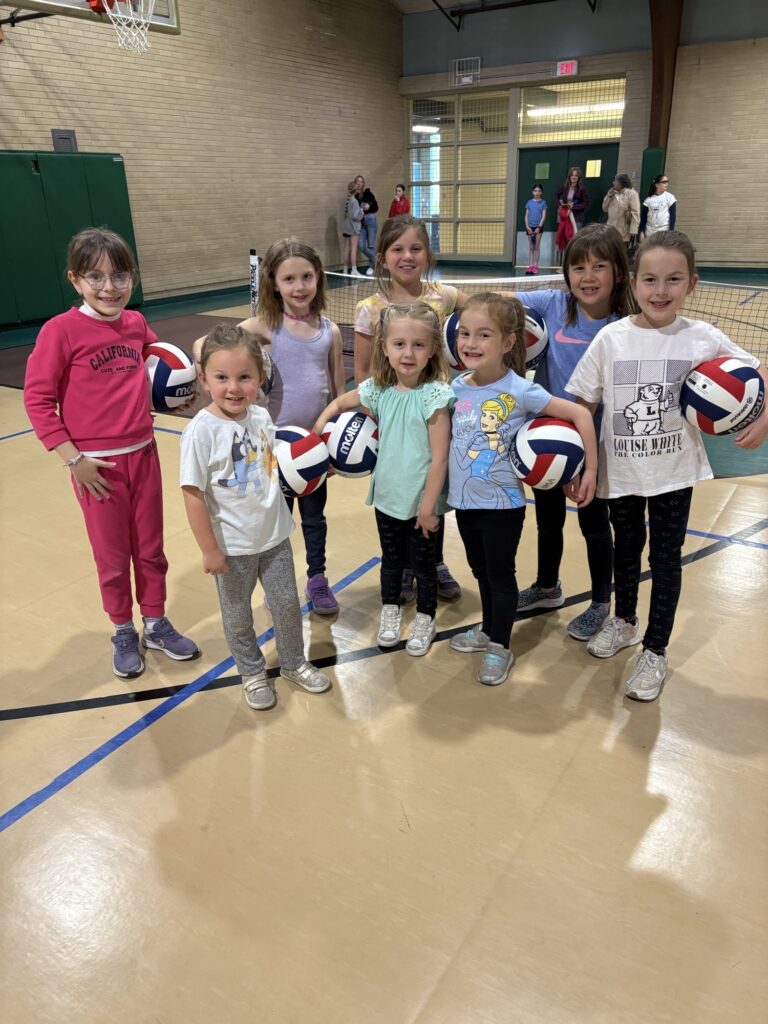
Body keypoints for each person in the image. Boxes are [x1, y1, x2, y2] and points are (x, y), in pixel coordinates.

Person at [565, 230, 768, 701]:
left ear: (691, 283)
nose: (661, 291)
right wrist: (583, 465)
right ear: (632, 282)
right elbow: (581, 404)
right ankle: (625, 621)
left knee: (665, 560)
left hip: (674, 473)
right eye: (650, 279)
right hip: (621, 474)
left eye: (673, 280)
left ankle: (655, 650)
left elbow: (759, 369)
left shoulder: (703, 338)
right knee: (626, 550)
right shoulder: (611, 339)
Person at [23, 227, 200, 679]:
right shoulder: (60, 331)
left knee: (151, 548)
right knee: (112, 555)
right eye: (95, 277)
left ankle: (156, 622)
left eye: (119, 276)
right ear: (75, 280)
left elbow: (158, 367)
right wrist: (73, 460)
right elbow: (38, 401)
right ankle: (123, 629)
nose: (109, 287)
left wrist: (174, 397)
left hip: (143, 453)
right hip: (95, 468)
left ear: (133, 277)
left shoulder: (136, 324)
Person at [181, 324, 332, 711]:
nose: (234, 387)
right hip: (232, 546)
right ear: (203, 379)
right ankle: (250, 671)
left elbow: (276, 467)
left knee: (285, 603)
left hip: (275, 535)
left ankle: (294, 662)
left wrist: (312, 468)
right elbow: (193, 494)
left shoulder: (263, 418)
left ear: (260, 378)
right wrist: (209, 549)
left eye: (244, 377)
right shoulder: (200, 432)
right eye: (221, 377)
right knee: (237, 613)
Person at [448, 293, 598, 686]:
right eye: (465, 333)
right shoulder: (455, 387)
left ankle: (500, 644)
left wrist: (589, 469)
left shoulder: (521, 389)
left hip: (503, 505)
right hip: (464, 502)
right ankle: (486, 627)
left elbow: (580, 412)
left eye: (484, 335)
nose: (470, 343)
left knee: (500, 577)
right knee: (479, 571)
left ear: (509, 343)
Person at [193, 239, 345, 615]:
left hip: (313, 449)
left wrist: (333, 444)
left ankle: (317, 579)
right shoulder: (266, 326)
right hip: (271, 451)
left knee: (314, 519)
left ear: (318, 279)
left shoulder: (330, 331)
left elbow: (339, 392)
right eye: (289, 278)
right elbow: (204, 344)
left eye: (307, 276)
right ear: (274, 283)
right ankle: (278, 583)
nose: (299, 286)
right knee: (275, 520)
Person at [516, 223, 636, 641]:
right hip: (550, 443)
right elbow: (494, 306)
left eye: (599, 266)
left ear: (619, 272)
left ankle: (602, 601)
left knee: (594, 524)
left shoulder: (628, 323)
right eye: (578, 267)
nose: (587, 277)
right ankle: (547, 586)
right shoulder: (553, 304)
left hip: (601, 447)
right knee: (547, 520)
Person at [314, 301, 454, 657]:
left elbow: (439, 458)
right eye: (399, 344)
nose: (408, 353)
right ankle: (390, 611)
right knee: (390, 562)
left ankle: (425, 617)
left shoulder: (434, 395)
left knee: (423, 566)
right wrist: (318, 435)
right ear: (385, 347)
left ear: (433, 349)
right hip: (388, 499)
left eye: (418, 345)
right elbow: (339, 404)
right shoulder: (378, 390)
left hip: (422, 502)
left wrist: (428, 507)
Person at [354, 214, 472, 603]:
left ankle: (433, 561)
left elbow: (483, 315)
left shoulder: (445, 296)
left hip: (437, 414)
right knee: (401, 492)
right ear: (383, 257)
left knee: (433, 491)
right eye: (397, 249)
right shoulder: (371, 308)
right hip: (394, 418)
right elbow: (363, 373)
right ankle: (404, 565)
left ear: (427, 254)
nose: (407, 256)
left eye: (416, 248)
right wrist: (382, 417)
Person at [602, 174, 641, 252]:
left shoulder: (632, 193)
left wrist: (633, 230)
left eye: (615, 181)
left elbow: (635, 212)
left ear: (621, 183)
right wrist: (609, 196)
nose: (613, 182)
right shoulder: (612, 192)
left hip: (623, 231)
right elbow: (604, 208)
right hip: (610, 229)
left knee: (621, 253)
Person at [354, 174, 379, 277]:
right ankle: (377, 261)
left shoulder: (368, 194)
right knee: (361, 245)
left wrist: (369, 206)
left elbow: (376, 207)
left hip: (370, 219)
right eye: (357, 182)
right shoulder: (354, 197)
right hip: (361, 222)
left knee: (371, 245)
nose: (359, 183)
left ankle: (371, 267)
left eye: (361, 181)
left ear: (363, 183)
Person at [639, 174, 677, 239]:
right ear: (657, 185)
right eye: (664, 182)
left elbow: (672, 217)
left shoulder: (670, 197)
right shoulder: (648, 200)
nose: (667, 184)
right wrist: (642, 232)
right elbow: (643, 218)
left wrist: (671, 232)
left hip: (664, 232)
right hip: (650, 232)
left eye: (667, 182)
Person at [341, 180, 363, 276]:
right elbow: (355, 216)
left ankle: (345, 270)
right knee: (353, 249)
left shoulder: (347, 200)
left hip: (346, 227)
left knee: (346, 249)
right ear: (356, 189)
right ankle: (354, 269)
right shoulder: (354, 201)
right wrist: (361, 213)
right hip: (353, 227)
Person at [524, 183, 547, 274]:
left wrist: (539, 227)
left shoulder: (543, 203)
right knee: (531, 246)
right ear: (532, 192)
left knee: (536, 246)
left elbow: (543, 216)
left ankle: (535, 266)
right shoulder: (529, 202)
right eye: (535, 191)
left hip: (538, 227)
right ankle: (530, 266)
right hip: (530, 227)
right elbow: (526, 216)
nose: (537, 193)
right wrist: (527, 226)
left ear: (541, 192)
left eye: (539, 191)